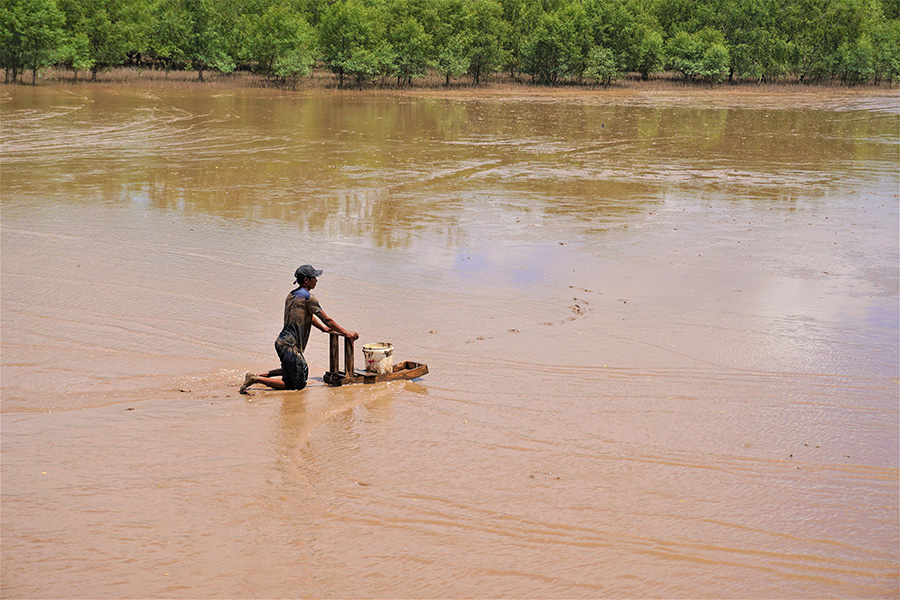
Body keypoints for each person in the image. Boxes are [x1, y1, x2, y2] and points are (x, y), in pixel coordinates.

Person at [240, 265, 358, 393]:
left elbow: (308, 317)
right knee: (296, 384)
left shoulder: (291, 295)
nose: (316, 281)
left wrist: (322, 329)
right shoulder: (308, 297)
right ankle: (254, 379)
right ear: (306, 280)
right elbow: (327, 319)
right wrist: (347, 333)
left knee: (298, 369)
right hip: (290, 346)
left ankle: (263, 375)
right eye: (314, 278)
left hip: (282, 342)